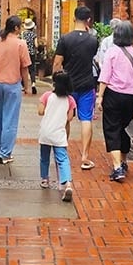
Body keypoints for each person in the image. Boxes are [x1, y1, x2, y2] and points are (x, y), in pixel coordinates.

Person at [96, 20, 133, 182]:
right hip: (131, 98)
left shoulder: (112, 52)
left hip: (113, 94)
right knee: (126, 127)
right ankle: (124, 161)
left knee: (112, 128)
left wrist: (100, 96)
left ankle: (117, 168)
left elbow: (105, 76)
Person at [53, 6, 99, 170]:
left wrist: (55, 81)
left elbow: (58, 63)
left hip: (68, 86)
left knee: (66, 118)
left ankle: (62, 153)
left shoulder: (65, 39)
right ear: (88, 21)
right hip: (87, 84)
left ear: (74, 19)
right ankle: (85, 157)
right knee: (86, 119)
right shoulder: (93, 40)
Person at [0, 15, 31, 164]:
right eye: (20, 26)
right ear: (16, 28)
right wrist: (27, 86)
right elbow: (24, 68)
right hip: (12, 84)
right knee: (10, 119)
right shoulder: (21, 44)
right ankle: (5, 153)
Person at [38, 71, 77, 201]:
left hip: (45, 132)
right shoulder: (70, 100)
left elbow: (40, 111)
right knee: (62, 159)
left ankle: (44, 179)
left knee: (44, 157)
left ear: (54, 83)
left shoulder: (46, 96)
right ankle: (67, 183)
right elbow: (69, 118)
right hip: (59, 134)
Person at [22, 18, 38, 94]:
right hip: (32, 54)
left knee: (23, 69)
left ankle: (24, 85)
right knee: (32, 70)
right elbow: (36, 44)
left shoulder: (23, 34)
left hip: (24, 53)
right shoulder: (34, 34)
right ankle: (33, 84)